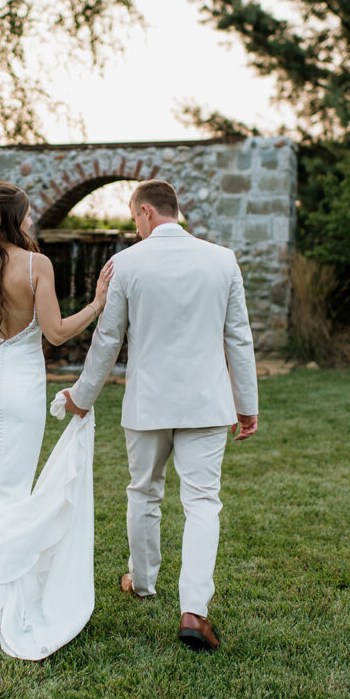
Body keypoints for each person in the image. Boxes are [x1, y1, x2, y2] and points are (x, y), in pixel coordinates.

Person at [62, 179, 258, 651]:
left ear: (146, 212)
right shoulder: (222, 259)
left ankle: (144, 582)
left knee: (144, 492)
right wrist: (245, 405)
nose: (136, 228)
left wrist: (82, 396)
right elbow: (239, 338)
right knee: (202, 504)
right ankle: (194, 610)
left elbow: (107, 341)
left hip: (147, 403)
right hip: (207, 404)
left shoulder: (126, 264)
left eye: (134, 220)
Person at [0, 180, 113, 659]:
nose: (32, 222)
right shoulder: (37, 265)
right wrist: (97, 305)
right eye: (28, 215)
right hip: (20, 387)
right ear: (15, 218)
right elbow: (56, 334)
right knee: (12, 492)